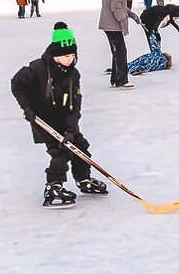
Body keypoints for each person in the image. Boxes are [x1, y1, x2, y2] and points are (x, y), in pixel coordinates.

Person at [10, 22, 108, 209]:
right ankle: (53, 186)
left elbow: (75, 104)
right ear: (55, 54)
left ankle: (83, 179)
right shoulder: (37, 69)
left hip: (65, 120)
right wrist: (26, 108)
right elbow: (16, 83)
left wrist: (71, 128)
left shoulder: (74, 75)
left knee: (80, 147)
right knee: (62, 151)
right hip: (43, 119)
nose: (70, 59)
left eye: (72, 55)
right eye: (65, 56)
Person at [100, 0, 142, 89]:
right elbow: (116, 8)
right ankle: (121, 80)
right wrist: (123, 20)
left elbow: (121, 7)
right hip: (113, 25)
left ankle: (115, 79)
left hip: (108, 25)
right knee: (121, 51)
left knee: (116, 52)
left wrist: (131, 15)